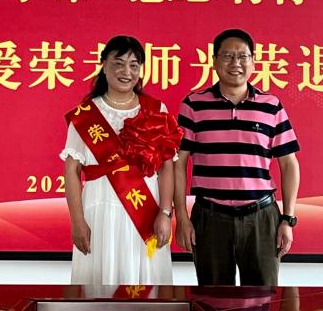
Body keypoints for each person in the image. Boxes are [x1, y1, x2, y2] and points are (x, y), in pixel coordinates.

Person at [174, 28, 301, 286]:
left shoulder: (271, 105)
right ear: (214, 61)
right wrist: (182, 219)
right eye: (227, 56)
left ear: (253, 61)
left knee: (262, 298)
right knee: (213, 298)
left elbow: (289, 164)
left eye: (243, 56)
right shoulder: (194, 105)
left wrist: (287, 219)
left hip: (261, 218)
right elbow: (178, 164)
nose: (236, 63)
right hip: (209, 218)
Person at [61, 35, 182, 285]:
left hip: (146, 211)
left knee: (144, 279)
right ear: (104, 65)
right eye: (118, 63)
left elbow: (166, 166)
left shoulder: (155, 110)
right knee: (99, 281)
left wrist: (165, 212)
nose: (127, 72)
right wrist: (77, 221)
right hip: (99, 210)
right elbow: (72, 171)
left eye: (134, 65)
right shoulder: (86, 115)